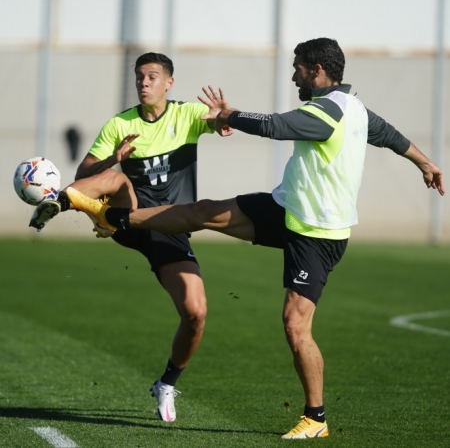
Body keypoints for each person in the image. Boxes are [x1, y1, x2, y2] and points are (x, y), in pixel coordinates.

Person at [52, 38, 445, 439]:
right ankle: (116, 216)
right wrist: (426, 163)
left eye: (298, 68)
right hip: (285, 209)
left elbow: (275, 126)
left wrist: (231, 114)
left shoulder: (327, 112)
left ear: (316, 70)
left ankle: (316, 419)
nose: (293, 74)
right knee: (204, 212)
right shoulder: (355, 107)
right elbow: (390, 135)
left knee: (295, 326)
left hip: (316, 234)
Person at [29, 52, 232, 422]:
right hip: (129, 217)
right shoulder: (119, 124)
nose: (144, 82)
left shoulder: (186, 115)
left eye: (152, 76)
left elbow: (219, 123)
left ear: (169, 82)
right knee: (117, 178)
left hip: (167, 228)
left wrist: (223, 119)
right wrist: (115, 157)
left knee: (196, 312)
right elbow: (85, 171)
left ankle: (167, 383)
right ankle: (58, 201)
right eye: (140, 76)